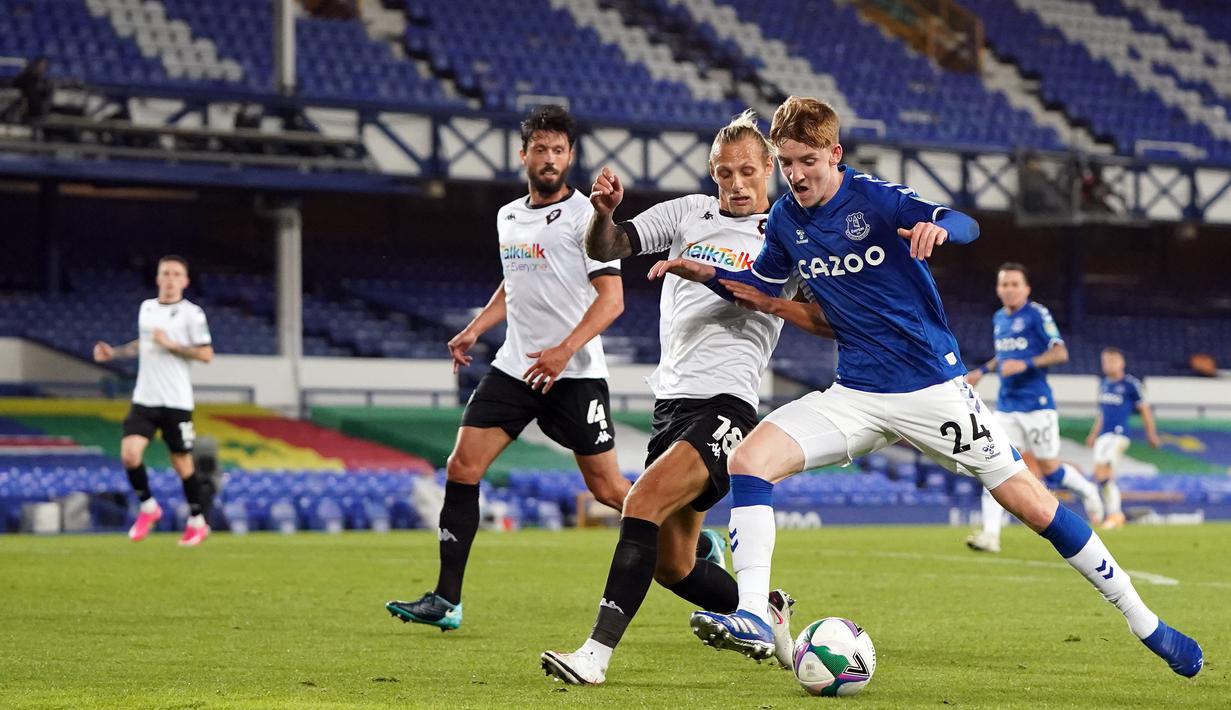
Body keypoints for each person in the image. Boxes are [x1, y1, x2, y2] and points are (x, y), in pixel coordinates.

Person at [651, 96, 1202, 678]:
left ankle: (1147, 622)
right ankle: (755, 616)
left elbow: (964, 223)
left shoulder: (873, 199)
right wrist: (699, 269)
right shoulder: (786, 220)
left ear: (834, 154)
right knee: (750, 460)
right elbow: (758, 285)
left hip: (931, 388)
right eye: (786, 162)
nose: (796, 174)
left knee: (1031, 502)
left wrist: (936, 229)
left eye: (807, 160)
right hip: (856, 393)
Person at [540, 111, 833, 685]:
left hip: (728, 405)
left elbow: (825, 319)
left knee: (640, 502)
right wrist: (602, 215)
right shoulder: (687, 213)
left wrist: (744, 291)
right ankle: (772, 621)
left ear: (769, 168)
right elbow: (613, 246)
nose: (737, 184)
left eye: (748, 171)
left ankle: (594, 657)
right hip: (671, 406)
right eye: (725, 173)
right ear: (712, 173)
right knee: (674, 565)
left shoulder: (790, 235)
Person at [386, 105, 631, 631]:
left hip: (575, 373)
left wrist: (565, 349)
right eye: (539, 149)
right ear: (523, 155)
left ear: (570, 157)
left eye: (558, 150)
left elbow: (612, 302)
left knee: (609, 491)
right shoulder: (507, 216)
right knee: (462, 467)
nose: (548, 158)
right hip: (516, 367)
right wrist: (477, 327)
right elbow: (514, 281)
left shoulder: (591, 217)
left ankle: (686, 539)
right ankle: (446, 600)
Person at [964, 263, 1103, 554]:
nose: (1009, 289)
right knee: (993, 465)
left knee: (1051, 470)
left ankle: (1088, 490)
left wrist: (1026, 364)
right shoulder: (999, 317)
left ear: (1026, 288)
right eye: (1004, 284)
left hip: (1037, 406)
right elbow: (1004, 356)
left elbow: (1060, 352)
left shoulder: (1037, 314)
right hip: (1006, 407)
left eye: (1015, 284)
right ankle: (991, 535)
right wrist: (982, 370)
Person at [93, 255, 215, 546]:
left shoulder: (192, 314)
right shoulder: (146, 308)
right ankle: (148, 507)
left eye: (176, 274)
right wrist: (115, 353)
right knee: (129, 454)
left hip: (176, 400)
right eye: (165, 273)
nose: (170, 278)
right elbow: (144, 344)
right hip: (145, 397)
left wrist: (172, 345)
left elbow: (206, 354)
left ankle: (197, 521)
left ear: (185, 281)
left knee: (182, 463)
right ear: (158, 278)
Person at [1085, 347, 1161, 530]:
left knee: (1106, 472)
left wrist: (1151, 434)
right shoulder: (1103, 384)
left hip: (1119, 434)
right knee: (1100, 475)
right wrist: (1093, 434)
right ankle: (1110, 514)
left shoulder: (1130, 384)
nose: (1108, 365)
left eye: (1112, 361)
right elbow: (1102, 413)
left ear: (1121, 363)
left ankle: (1113, 514)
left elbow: (1145, 409)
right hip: (1104, 435)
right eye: (1105, 361)